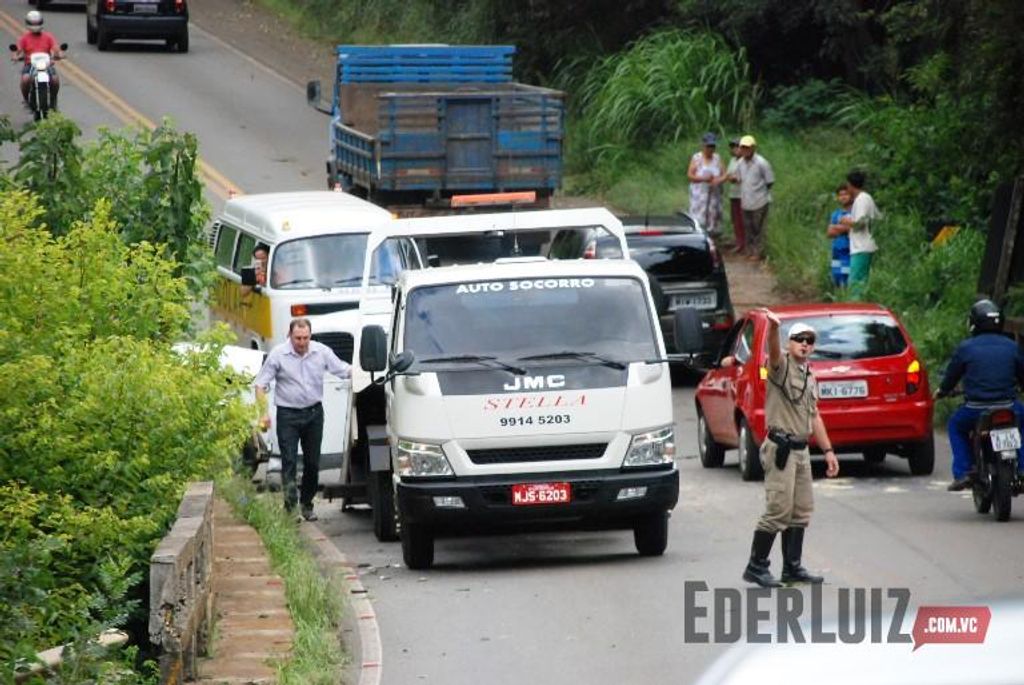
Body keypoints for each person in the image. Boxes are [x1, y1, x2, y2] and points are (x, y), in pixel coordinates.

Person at [730, 311, 840, 587]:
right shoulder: (781, 367)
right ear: (790, 343)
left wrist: (828, 451)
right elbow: (774, 352)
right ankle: (756, 566)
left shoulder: (809, 376)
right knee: (778, 509)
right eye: (799, 339)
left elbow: (815, 416)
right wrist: (773, 329)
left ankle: (792, 567)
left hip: (801, 450)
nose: (805, 344)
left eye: (810, 340)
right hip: (781, 448)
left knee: (801, 510)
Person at [254, 318, 352, 521]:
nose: (302, 342)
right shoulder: (278, 354)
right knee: (289, 461)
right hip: (288, 415)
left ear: (310, 336)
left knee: (312, 462)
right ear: (290, 336)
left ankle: (307, 504)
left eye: (306, 338)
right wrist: (263, 413)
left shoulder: (321, 352)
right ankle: (290, 509)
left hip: (313, 413)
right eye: (298, 338)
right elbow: (260, 384)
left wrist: (363, 371)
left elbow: (343, 369)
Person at [935, 299, 1024, 492]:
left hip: (975, 409)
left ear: (974, 322)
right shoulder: (1012, 346)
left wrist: (942, 391)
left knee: (955, 426)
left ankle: (963, 472)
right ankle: (1022, 469)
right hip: (1008, 406)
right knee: (1022, 424)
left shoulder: (966, 348)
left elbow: (951, 376)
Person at [839, 171, 881, 298]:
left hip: (862, 247)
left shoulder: (862, 199)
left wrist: (847, 221)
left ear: (850, 185)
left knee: (856, 283)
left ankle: (856, 306)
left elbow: (861, 222)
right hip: (860, 246)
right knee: (858, 281)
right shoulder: (863, 198)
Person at [11, 10, 63, 107]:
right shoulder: (24, 38)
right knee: (25, 79)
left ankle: (53, 98)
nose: (35, 26)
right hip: (30, 64)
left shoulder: (48, 37)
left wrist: (59, 54)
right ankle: (26, 99)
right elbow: (18, 49)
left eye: (37, 23)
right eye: (33, 23)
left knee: (55, 79)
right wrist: (15, 56)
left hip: (46, 64)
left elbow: (56, 47)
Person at [736, 135, 774, 261]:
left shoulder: (762, 163)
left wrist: (759, 191)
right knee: (748, 227)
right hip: (746, 200)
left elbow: (770, 181)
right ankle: (750, 250)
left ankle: (758, 252)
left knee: (759, 227)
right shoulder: (740, 163)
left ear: (753, 148)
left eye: (747, 147)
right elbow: (739, 179)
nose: (745, 150)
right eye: (742, 147)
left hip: (760, 200)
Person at [687, 132, 724, 237]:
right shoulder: (697, 158)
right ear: (703, 146)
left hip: (714, 194)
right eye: (708, 146)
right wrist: (703, 178)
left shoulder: (717, 158)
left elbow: (724, 174)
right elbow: (690, 175)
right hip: (699, 195)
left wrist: (717, 180)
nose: (711, 149)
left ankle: (712, 236)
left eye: (713, 146)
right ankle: (699, 235)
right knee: (699, 217)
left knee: (713, 216)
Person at [825, 183, 853, 287]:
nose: (843, 197)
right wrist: (845, 228)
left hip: (848, 251)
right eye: (841, 195)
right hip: (836, 251)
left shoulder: (855, 213)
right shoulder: (836, 214)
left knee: (846, 277)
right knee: (837, 277)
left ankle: (846, 296)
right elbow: (829, 233)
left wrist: (836, 228)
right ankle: (838, 296)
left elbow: (853, 229)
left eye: (846, 194)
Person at [724, 138, 745, 253]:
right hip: (733, 193)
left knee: (742, 219)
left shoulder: (745, 161)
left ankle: (744, 243)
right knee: (735, 219)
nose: (735, 149)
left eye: (737, 147)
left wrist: (734, 178)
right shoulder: (732, 160)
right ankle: (738, 241)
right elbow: (728, 174)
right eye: (733, 147)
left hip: (743, 194)